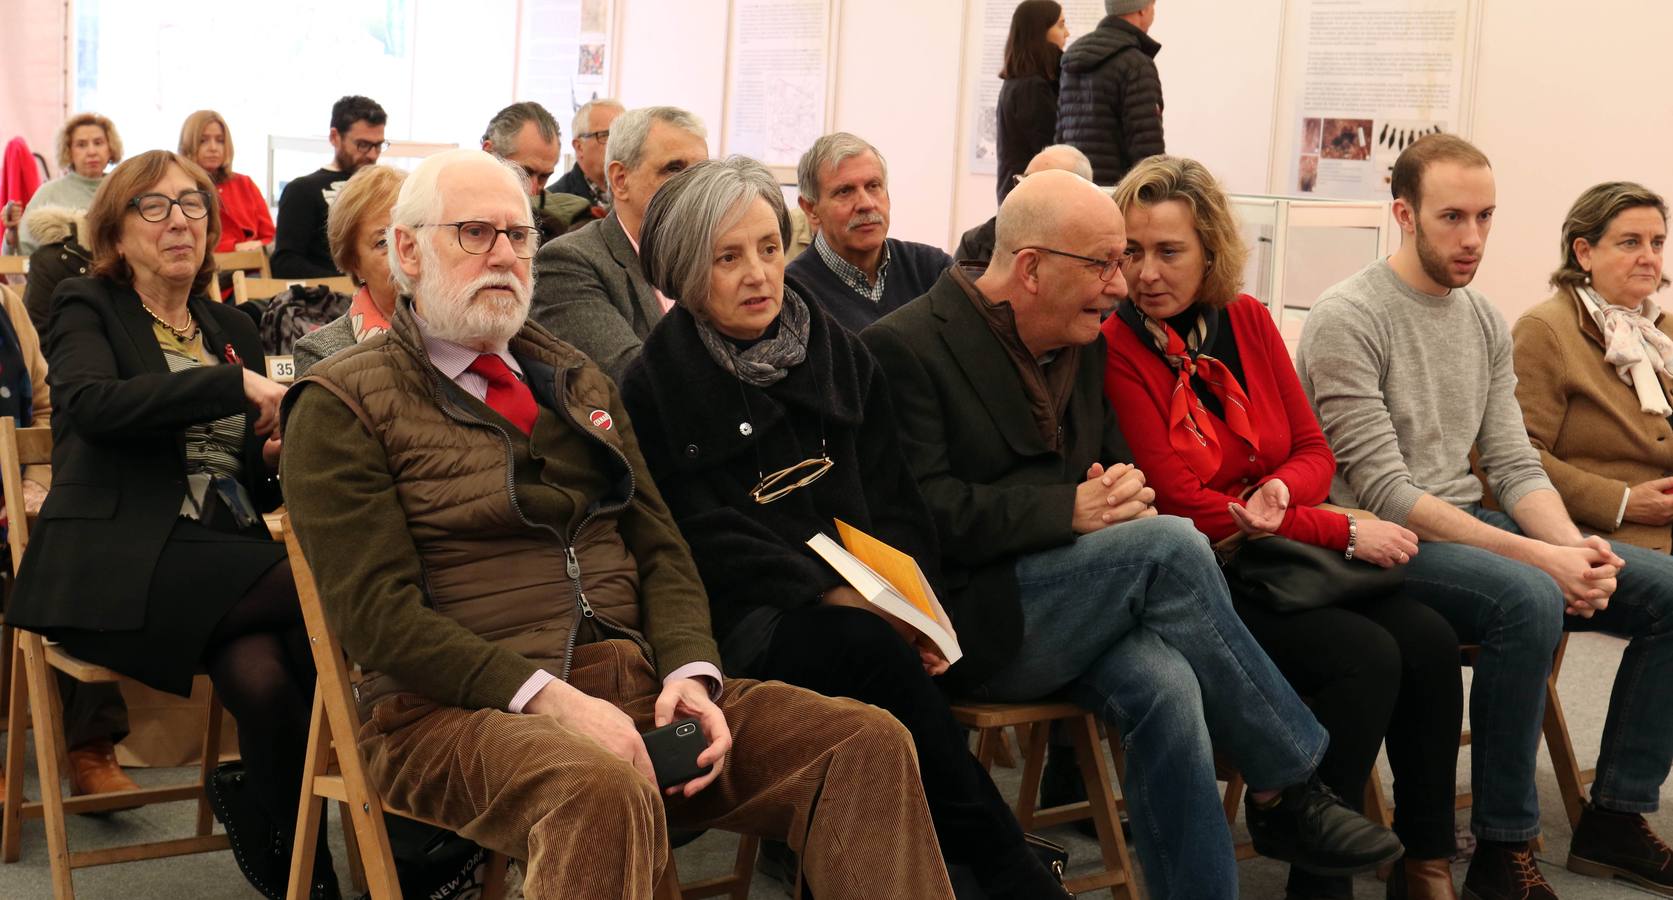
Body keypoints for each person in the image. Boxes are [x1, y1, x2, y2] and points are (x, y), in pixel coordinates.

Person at [279, 148, 956, 900]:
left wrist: (691, 675)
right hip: (449, 711)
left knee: (863, 741)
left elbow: (661, 548)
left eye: (520, 235)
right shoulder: (342, 401)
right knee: (599, 789)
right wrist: (550, 698)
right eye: (474, 233)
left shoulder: (574, 379)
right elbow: (377, 618)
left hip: (628, 682)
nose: (504, 255)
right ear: (406, 250)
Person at [862, 169, 1402, 899]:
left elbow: (1123, 471)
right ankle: (1286, 786)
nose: (1123, 285)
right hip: (971, 624)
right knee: (1172, 544)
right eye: (1104, 264)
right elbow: (916, 517)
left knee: (1170, 685)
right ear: (1030, 268)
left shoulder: (1081, 342)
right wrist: (1071, 510)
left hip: (1084, 597)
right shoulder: (903, 347)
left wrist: (1122, 493)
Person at [618, 157, 1068, 899]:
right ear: (681, 272)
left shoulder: (839, 353)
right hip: (751, 620)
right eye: (728, 258)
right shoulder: (655, 385)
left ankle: (964, 864)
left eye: (768, 248)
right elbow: (702, 538)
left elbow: (895, 500)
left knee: (908, 649)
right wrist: (830, 595)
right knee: (862, 652)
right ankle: (1003, 866)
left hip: (868, 603)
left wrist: (908, 604)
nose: (759, 274)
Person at [1296, 134, 1673, 899]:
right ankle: (1504, 848)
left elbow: (1510, 464)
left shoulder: (1479, 318)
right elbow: (1385, 492)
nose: (1471, 238)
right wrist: (1543, 563)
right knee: (1525, 594)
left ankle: (1614, 813)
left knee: (1664, 588)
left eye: (1485, 217)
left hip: (1464, 523)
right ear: (1402, 214)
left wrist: (1579, 550)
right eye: (1450, 218)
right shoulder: (1347, 316)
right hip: (1377, 543)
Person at [1102, 155, 1462, 899]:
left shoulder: (1247, 320)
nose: (1145, 273)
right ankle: (1313, 872)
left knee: (1424, 639)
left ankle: (1424, 863)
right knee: (1363, 655)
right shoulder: (1116, 347)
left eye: (1167, 252)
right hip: (1207, 578)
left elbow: (1311, 450)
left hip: (1278, 554)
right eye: (1131, 251)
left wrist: (1274, 492)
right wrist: (1333, 530)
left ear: (1210, 253)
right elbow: (1179, 503)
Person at [5, 150, 331, 898]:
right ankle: (367, 839)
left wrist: (277, 453)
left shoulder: (230, 326)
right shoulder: (89, 305)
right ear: (115, 234)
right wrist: (227, 384)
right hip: (115, 566)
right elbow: (89, 406)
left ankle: (305, 872)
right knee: (322, 594)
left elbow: (247, 472)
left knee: (272, 677)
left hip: (222, 562)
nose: (178, 218)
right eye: (152, 207)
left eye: (192, 204)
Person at [1512, 182, 1673, 554]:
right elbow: (1514, 456)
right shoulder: (1545, 329)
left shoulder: (1664, 331)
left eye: (1657, 243)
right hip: (1602, 538)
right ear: (1584, 252)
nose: (1649, 256)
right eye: (1631, 242)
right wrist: (1620, 501)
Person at [530, 105, 709, 381]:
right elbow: (639, 381)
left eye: (702, 173)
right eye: (674, 169)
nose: (696, 186)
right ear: (620, 179)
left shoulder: (710, 258)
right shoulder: (568, 263)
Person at [786, 133, 953, 333]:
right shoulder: (793, 296)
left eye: (873, 186)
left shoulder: (932, 269)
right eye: (845, 191)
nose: (866, 204)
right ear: (811, 209)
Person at [292, 165, 406, 376]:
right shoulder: (321, 353)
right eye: (383, 242)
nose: (403, 254)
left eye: (411, 235)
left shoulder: (458, 333)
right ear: (354, 263)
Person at [271, 95, 387, 278]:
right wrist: (345, 284)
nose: (373, 154)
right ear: (335, 137)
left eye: (379, 145)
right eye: (363, 145)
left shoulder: (384, 188)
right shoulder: (303, 190)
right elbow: (285, 263)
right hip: (329, 297)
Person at [1056, 0, 1163, 187]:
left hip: (1075, 189)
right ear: (1142, 10)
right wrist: (1154, 192)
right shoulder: (1136, 63)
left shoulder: (1072, 57)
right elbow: (1146, 146)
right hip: (1116, 195)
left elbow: (1060, 135)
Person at [957, 144, 1093, 263]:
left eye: (1039, 185)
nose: (1024, 192)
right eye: (1024, 180)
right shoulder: (978, 241)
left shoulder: (1091, 253)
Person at [480, 101, 591, 241]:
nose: (533, 190)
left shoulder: (563, 223)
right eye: (524, 172)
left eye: (544, 177)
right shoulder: (450, 206)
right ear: (490, 153)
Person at [995, 0, 1068, 204]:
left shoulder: (1020, 82)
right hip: (1030, 200)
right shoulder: (1032, 87)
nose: (1067, 33)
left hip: (1022, 195)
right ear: (1039, 31)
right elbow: (1048, 153)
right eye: (1061, 25)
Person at [16, 112, 121, 255]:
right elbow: (22, 250)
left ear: (110, 147)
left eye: (98, 143)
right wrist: (11, 236)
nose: (91, 151)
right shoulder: (48, 192)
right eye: (81, 145)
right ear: (68, 151)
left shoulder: (123, 188)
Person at [179, 110, 275, 253]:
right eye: (203, 140)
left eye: (220, 140)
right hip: (206, 268)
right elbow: (181, 239)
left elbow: (269, 235)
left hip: (253, 265)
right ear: (188, 144)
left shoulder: (245, 183)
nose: (213, 148)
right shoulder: (181, 186)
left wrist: (258, 246)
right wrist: (233, 248)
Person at [551, 97, 624, 210]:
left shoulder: (641, 193)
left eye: (624, 134)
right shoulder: (555, 204)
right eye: (605, 135)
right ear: (579, 147)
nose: (619, 143)